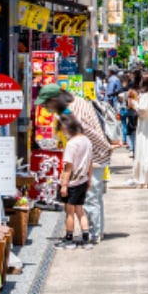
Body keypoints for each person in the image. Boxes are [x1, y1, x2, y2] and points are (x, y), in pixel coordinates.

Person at [41, 88, 113, 243]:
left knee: (89, 197)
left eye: (46, 104)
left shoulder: (72, 112)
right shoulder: (76, 101)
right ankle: (96, 231)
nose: (45, 108)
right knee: (93, 196)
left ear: (53, 100)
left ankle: (94, 233)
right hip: (93, 156)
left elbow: (87, 136)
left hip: (91, 158)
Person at [58, 112, 94, 247]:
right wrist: (89, 179)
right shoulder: (86, 141)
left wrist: (64, 185)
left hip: (72, 183)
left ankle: (69, 239)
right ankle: (86, 238)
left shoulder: (71, 144)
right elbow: (90, 162)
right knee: (80, 210)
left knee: (69, 212)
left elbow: (68, 167)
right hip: (83, 180)